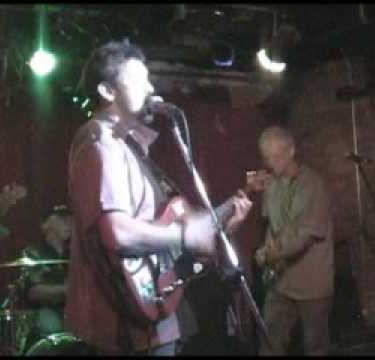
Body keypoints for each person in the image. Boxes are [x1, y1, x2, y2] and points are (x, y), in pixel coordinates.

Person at [65, 39, 252, 356]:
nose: (150, 87)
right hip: (124, 323)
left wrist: (218, 227)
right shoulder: (102, 139)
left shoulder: (130, 146)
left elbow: (173, 240)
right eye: (137, 80)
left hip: (155, 319)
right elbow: (117, 233)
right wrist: (184, 234)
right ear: (108, 92)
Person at [251, 125, 334, 355]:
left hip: (312, 284)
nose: (271, 162)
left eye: (276, 156)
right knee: (270, 343)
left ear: (291, 151)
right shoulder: (272, 186)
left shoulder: (312, 185)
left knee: (315, 348)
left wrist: (268, 255)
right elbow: (272, 228)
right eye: (267, 157)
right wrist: (266, 251)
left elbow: (302, 239)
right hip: (281, 282)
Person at [16, 205, 72, 354]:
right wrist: (68, 290)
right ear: (45, 225)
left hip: (72, 310)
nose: (69, 222)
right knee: (50, 322)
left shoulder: (75, 254)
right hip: (45, 311)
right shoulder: (34, 252)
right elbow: (33, 292)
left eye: (70, 219)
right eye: (62, 219)